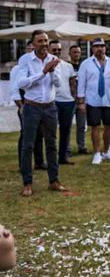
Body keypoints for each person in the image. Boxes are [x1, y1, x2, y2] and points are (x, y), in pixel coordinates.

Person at [16, 30, 68, 196]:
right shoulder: (25, 60)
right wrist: (43, 72)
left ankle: (53, 181)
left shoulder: (53, 59)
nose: (44, 44)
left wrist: (52, 71)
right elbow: (22, 83)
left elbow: (58, 83)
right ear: (33, 44)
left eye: (45, 41)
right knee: (28, 145)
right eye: (40, 41)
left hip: (50, 107)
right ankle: (27, 183)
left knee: (52, 144)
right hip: (32, 107)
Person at [77, 38, 110, 165]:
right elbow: (81, 83)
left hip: (109, 99)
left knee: (109, 126)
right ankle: (97, 153)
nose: (100, 49)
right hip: (93, 100)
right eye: (97, 46)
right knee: (95, 127)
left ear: (105, 48)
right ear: (92, 48)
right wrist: (81, 102)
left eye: (102, 46)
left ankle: (107, 151)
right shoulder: (86, 63)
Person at [10, 40, 45, 170]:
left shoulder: (40, 65)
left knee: (39, 134)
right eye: (29, 49)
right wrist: (21, 106)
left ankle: (39, 162)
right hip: (25, 105)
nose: (31, 52)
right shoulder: (18, 68)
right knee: (26, 135)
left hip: (39, 105)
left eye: (33, 49)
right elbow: (14, 89)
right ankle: (23, 164)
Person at [48, 40, 77, 165]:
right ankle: (52, 158)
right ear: (49, 50)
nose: (57, 52)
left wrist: (74, 97)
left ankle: (63, 157)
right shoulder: (45, 65)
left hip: (67, 102)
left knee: (66, 130)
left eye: (59, 49)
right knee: (51, 132)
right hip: (53, 101)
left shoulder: (68, 66)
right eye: (54, 49)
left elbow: (72, 83)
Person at [69, 44, 88, 154]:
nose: (76, 54)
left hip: (81, 100)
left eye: (78, 52)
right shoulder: (67, 66)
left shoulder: (83, 66)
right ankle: (68, 148)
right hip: (70, 99)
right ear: (70, 54)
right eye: (74, 52)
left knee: (81, 125)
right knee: (68, 126)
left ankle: (82, 146)